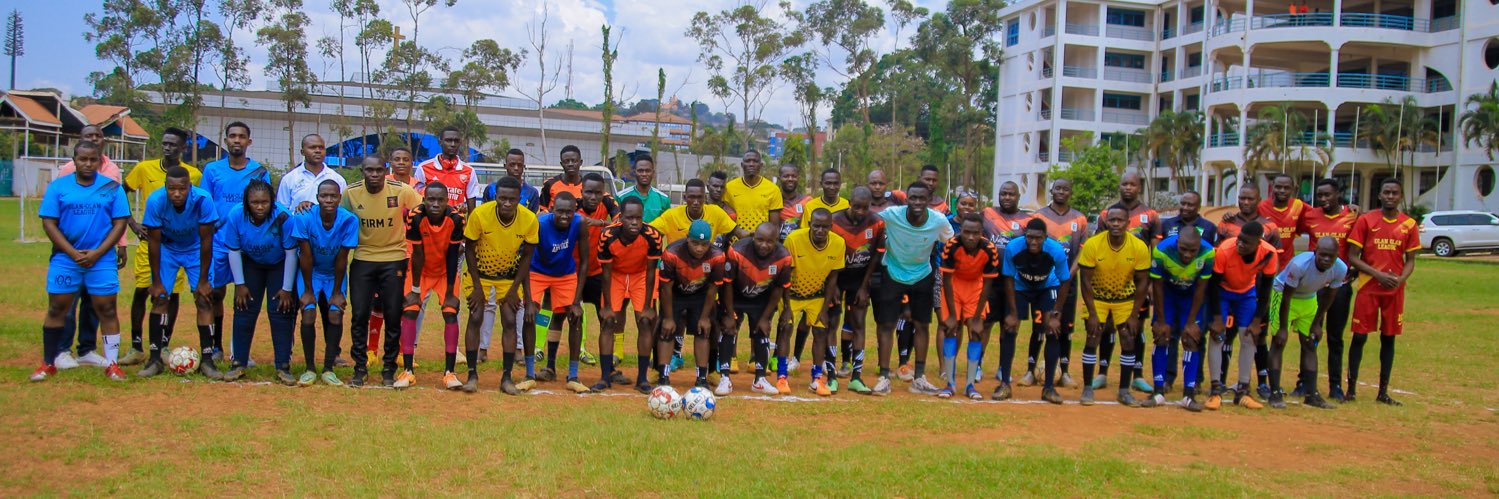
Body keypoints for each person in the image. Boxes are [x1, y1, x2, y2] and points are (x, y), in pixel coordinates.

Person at [32, 141, 131, 382]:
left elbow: (120, 223)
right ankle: (49, 363)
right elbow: (49, 223)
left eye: (93, 159)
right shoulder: (58, 187)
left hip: (102, 259)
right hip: (66, 259)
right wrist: (72, 253)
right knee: (57, 308)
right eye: (83, 159)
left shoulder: (111, 187)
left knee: (107, 308)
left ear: (100, 160)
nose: (88, 164)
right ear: (74, 160)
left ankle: (113, 364)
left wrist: (97, 252)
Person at [121, 128, 200, 368]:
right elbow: (120, 192)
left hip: (176, 246)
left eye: (173, 144)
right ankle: (136, 347)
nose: (167, 148)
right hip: (150, 243)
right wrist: (133, 223)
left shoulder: (194, 174)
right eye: (165, 143)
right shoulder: (144, 168)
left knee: (171, 294)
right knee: (143, 290)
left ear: (183, 148)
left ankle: (164, 344)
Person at [342, 155, 421, 387]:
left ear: (385, 171)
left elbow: (423, 208)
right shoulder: (351, 193)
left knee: (393, 315)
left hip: (394, 258)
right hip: (363, 258)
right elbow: (338, 217)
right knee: (359, 315)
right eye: (369, 170)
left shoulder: (401, 190)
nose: (374, 174)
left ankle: (388, 369)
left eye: (378, 170)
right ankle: (360, 368)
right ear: (363, 171)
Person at [650, 179, 742, 371]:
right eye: (691, 197)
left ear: (705, 197)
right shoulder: (672, 215)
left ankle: (711, 369)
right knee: (665, 323)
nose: (695, 201)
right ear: (685, 197)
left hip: (704, 278)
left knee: (710, 323)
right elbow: (650, 230)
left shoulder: (715, 213)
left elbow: (738, 232)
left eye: (699, 197)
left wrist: (760, 238)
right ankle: (661, 369)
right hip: (676, 278)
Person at [872, 182, 954, 396]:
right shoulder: (892, 214)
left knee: (922, 325)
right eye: (913, 198)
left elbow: (951, 242)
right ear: (906, 199)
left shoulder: (938, 220)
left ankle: (919, 378)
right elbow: (870, 220)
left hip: (922, 275)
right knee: (886, 325)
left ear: (929, 200)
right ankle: (884, 377)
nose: (917, 202)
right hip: (893, 272)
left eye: (922, 198)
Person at [138, 166, 220, 378]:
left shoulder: (203, 200)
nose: (176, 193)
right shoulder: (156, 201)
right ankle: (154, 359)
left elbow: (207, 241)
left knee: (204, 299)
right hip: (168, 250)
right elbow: (153, 242)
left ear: (189, 187)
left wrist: (203, 281)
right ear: (165, 187)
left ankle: (208, 360)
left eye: (182, 189)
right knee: (160, 298)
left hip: (195, 249)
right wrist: (157, 282)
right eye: (171, 189)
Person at [55, 125, 125, 370]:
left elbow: (115, 214)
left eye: (98, 135)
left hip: (101, 251)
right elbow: (60, 210)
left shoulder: (112, 171)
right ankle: (62, 350)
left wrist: (121, 244)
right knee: (68, 300)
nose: (94, 139)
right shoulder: (67, 170)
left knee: (95, 301)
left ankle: (87, 349)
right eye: (88, 136)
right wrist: (69, 250)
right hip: (71, 250)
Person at [462, 176, 539, 394]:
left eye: (512, 199)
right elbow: (469, 250)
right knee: (475, 316)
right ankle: (472, 375)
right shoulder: (480, 214)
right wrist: (477, 287)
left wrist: (514, 290)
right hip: (480, 275)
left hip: (509, 277)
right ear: (495, 197)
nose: (506, 203)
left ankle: (506, 377)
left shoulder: (529, 219)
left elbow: (527, 256)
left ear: (519, 199)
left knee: (509, 319)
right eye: (502, 198)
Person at [1345, 178, 1419, 406]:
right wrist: (1377, 275)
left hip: (1393, 291)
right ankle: (1351, 390)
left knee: (1389, 338)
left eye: (1395, 193)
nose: (1390, 196)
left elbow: (1411, 259)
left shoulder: (1409, 224)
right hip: (1369, 287)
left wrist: (1400, 280)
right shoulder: (1366, 220)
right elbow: (1353, 256)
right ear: (1380, 195)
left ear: (1400, 196)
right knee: (1359, 337)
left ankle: (1383, 392)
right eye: (1386, 192)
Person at [203, 122, 270, 366]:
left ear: (249, 141)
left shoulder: (259, 171)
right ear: (226, 140)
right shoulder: (212, 170)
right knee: (215, 293)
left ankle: (238, 351)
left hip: (248, 244)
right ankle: (215, 346)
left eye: (242, 136)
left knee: (244, 296)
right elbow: (205, 204)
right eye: (232, 136)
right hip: (219, 241)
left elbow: (265, 205)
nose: (237, 140)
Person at [221, 180, 299, 383]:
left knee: (281, 311)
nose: (260, 207)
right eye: (254, 202)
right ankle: (238, 363)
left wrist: (286, 289)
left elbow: (291, 253)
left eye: (264, 202)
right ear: (246, 202)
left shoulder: (283, 216)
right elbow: (233, 251)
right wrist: (240, 284)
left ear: (272, 201)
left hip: (279, 264)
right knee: (244, 309)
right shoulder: (236, 215)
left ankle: (283, 366)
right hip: (251, 263)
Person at [1076, 207, 1152, 407]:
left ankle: (1124, 390)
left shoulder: (1139, 247)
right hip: (1097, 298)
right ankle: (1087, 388)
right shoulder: (1093, 244)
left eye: (1120, 220)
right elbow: (1085, 281)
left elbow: (1142, 283)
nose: (1116, 224)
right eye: (1112, 220)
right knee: (1093, 336)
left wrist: (1134, 315)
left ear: (1128, 223)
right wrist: (1093, 314)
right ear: (1106, 222)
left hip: (1125, 300)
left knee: (1128, 339)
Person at [1095, 172, 1160, 393]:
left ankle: (1137, 375)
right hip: (1109, 280)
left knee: (1135, 327)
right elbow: (1098, 244)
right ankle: (1102, 372)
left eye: (1132, 184)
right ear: (1119, 186)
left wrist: (1150, 283)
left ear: (1139, 187)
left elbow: (1155, 252)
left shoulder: (1151, 215)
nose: (1128, 188)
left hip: (1137, 281)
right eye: (1124, 184)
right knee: (1107, 326)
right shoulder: (1106, 214)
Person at [291, 180, 359, 386]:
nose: (328, 200)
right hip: (310, 273)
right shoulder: (303, 217)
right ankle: (310, 368)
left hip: (333, 274)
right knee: (308, 313)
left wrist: (337, 292)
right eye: (324, 196)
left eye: (333, 196)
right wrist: (308, 290)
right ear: (317, 198)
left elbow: (342, 257)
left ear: (339, 198)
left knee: (336, 314)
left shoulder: (349, 220)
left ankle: (329, 369)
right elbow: (305, 255)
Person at [594, 197, 666, 393]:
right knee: (608, 322)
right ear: (620, 218)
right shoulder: (608, 235)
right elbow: (606, 272)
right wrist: (608, 306)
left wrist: (649, 306)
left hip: (641, 276)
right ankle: (605, 377)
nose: (634, 222)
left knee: (645, 321)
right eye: (629, 218)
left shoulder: (653, 236)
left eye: (638, 218)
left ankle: (642, 379)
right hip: (615, 275)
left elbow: (651, 271)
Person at [1205, 221, 1279, 410]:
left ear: (1258, 243)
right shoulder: (1225, 250)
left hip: (1247, 293)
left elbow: (1266, 290)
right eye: (1239, 239)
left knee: (1249, 337)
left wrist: (1257, 321)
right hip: (1223, 292)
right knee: (1217, 337)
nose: (1240, 244)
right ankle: (1215, 390)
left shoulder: (1269, 253)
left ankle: (1243, 391)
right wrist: (1217, 318)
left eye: (1246, 242)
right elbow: (1213, 286)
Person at [1217, 185, 1281, 398]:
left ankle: (1261, 383)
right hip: (1229, 288)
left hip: (1255, 291)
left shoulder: (1270, 227)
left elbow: (1274, 263)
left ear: (1259, 199)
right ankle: (1220, 381)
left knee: (1256, 336)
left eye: (1250, 198)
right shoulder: (1226, 223)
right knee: (1225, 336)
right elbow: (1219, 256)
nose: (1245, 202)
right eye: (1242, 198)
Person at [1297, 178, 1358, 400]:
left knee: (1335, 336)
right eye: (1319, 195)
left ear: (1338, 194)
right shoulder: (1310, 215)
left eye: (1327, 195)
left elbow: (1359, 244)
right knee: (1308, 334)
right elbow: (1288, 228)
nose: (1323, 199)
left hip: (1340, 285)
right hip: (1313, 285)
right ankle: (1304, 382)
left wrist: (1355, 268)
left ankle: (1335, 386)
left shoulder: (1352, 216)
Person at [1268, 237, 1345, 410]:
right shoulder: (1299, 265)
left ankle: (1311, 395)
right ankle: (1275, 393)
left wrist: (1317, 323)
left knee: (1310, 344)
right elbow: (1287, 296)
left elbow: (1330, 296)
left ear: (1337, 256)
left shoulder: (1340, 268)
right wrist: (1283, 328)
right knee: (1279, 342)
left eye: (1331, 256)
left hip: (1309, 299)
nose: (1326, 259)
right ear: (1315, 252)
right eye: (1322, 255)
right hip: (1284, 296)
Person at [1001, 217, 1072, 403]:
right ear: (1025, 235)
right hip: (1021, 287)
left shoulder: (1056, 251)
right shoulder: (1013, 248)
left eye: (1038, 238)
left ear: (1045, 237)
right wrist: (1013, 313)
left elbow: (1065, 281)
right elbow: (1008, 278)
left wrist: (1056, 314)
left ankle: (1048, 388)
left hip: (1047, 287)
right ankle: (1004, 384)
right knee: (1009, 329)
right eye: (1030, 237)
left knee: (1052, 331)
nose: (1033, 242)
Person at [403, 182, 466, 389]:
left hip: (445, 272)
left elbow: (453, 255)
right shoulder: (415, 216)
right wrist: (415, 290)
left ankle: (449, 373)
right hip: (420, 271)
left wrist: (450, 291)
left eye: (440, 200)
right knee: (410, 310)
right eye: (431, 199)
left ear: (447, 201)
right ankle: (407, 370)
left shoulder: (456, 219)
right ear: (424, 200)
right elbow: (417, 254)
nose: (436, 204)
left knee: (450, 312)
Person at [719, 222, 793, 395]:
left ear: (777, 241)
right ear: (753, 237)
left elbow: (778, 289)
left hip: (762, 298)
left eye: (769, 241)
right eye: (760, 240)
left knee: (762, 331)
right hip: (735, 296)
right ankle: (724, 378)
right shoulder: (737, 251)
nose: (764, 245)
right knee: (728, 329)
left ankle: (760, 380)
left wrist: (766, 318)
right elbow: (727, 284)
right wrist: (729, 313)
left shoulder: (783, 257)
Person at [529, 192, 592, 394]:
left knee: (574, 317)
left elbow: (584, 263)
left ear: (575, 211)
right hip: (537, 271)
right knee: (530, 315)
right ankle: (530, 373)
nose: (564, 216)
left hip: (565, 274)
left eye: (569, 212)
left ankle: (572, 375)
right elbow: (526, 255)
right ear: (552, 209)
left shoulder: (580, 223)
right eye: (560, 211)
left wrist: (576, 301)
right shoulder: (540, 223)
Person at [1031, 179, 1090, 388]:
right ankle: (1030, 370)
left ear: (1070, 192)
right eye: (1058, 188)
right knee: (1039, 326)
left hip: (1068, 282)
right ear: (1051, 190)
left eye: (1066, 189)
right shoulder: (1039, 216)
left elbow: (1082, 250)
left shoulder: (1079, 219)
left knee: (1065, 327)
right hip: (1043, 281)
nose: (1061, 192)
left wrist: (1068, 275)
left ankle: (1064, 371)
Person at [1156, 190, 1217, 390]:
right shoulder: (1168, 227)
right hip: (1170, 290)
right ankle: (1167, 378)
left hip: (1195, 292)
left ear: (1199, 206)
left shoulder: (1209, 230)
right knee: (1168, 334)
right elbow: (1159, 272)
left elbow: (1206, 272)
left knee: (1195, 335)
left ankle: (1194, 381)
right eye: (1183, 203)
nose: (1185, 207)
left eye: (1190, 204)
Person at [780, 208, 845, 396]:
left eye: (825, 227)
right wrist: (786, 307)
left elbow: (833, 278)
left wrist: (824, 309)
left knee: (821, 331)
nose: (820, 230)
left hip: (816, 295)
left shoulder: (838, 243)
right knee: (786, 328)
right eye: (816, 226)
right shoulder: (793, 239)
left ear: (831, 227)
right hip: (792, 295)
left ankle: (816, 379)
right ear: (809, 224)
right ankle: (782, 377)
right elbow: (785, 274)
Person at [1148, 227, 1215, 411]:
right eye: (1183, 249)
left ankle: (1188, 395)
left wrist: (1191, 322)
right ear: (1177, 242)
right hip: (1167, 295)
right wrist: (1161, 321)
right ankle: (1158, 392)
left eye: (1192, 251)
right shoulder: (1161, 250)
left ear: (1199, 246)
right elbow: (1157, 285)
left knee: (1191, 339)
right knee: (1161, 337)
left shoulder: (1208, 252)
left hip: (1191, 297)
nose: (1187, 254)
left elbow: (1202, 287)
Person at [827, 187, 884, 394]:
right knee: (831, 323)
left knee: (859, 323)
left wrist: (864, 286)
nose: (861, 211)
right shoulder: (834, 221)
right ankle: (831, 376)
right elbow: (827, 254)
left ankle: (856, 377)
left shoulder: (877, 223)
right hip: (836, 278)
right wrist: (832, 286)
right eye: (857, 207)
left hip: (860, 280)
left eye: (865, 208)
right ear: (849, 203)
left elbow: (876, 255)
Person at [658, 220, 728, 389]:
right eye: (695, 243)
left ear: (710, 243)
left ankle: (701, 378)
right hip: (675, 294)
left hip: (700, 295)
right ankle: (663, 377)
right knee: (667, 331)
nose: (699, 248)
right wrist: (668, 318)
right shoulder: (672, 253)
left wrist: (704, 318)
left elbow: (713, 288)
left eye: (704, 244)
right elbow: (665, 288)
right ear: (687, 238)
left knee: (703, 331)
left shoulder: (717, 256)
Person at [940, 214, 1002, 400]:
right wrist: (953, 315)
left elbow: (988, 284)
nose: (970, 237)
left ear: (981, 232)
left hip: (976, 288)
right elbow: (947, 280)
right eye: (966, 232)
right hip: (954, 287)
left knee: (976, 332)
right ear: (961, 231)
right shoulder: (951, 245)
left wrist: (976, 317)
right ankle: (950, 383)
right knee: (951, 329)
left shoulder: (990, 249)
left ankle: (970, 385)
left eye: (975, 233)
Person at [980, 181, 1035, 386]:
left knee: (1010, 325)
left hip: (1016, 281)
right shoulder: (987, 214)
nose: (1007, 197)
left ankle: (1004, 367)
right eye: (1003, 193)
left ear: (1018, 197)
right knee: (985, 324)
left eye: (1011, 194)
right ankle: (978, 363)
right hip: (990, 279)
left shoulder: (1028, 220)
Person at [577, 173, 619, 371]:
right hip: (572, 273)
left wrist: (599, 223)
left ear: (603, 193)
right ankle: (554, 366)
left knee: (606, 318)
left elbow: (622, 222)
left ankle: (609, 369)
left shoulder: (609, 203)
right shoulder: (573, 205)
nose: (593, 197)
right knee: (565, 317)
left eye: (598, 193)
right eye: (589, 192)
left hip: (597, 272)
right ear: (581, 191)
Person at [415, 126, 483, 213]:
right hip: (430, 221)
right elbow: (417, 201)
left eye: (456, 141)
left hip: (456, 220)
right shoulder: (423, 168)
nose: (453, 144)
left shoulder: (469, 171)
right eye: (448, 140)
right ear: (440, 142)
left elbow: (472, 208)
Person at [276, 134, 347, 214]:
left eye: (321, 147)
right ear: (302, 152)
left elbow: (343, 210)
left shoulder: (337, 179)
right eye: (312, 147)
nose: (318, 151)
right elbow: (281, 211)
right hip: (297, 222)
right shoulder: (289, 179)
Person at [723, 150, 783, 236]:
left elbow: (774, 226)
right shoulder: (729, 188)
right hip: (735, 241)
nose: (751, 164)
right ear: (742, 165)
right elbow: (723, 217)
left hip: (762, 241)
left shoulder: (773, 189)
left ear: (761, 165)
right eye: (748, 161)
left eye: (755, 161)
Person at [1260, 174, 1307, 269]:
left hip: (1288, 264)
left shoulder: (1298, 205)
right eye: (1278, 187)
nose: (1282, 190)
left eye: (1286, 188)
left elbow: (1317, 214)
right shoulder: (1261, 207)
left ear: (1292, 189)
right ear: (1272, 187)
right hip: (1265, 262)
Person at [616, 154, 672, 223]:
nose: (644, 174)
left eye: (648, 171)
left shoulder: (663, 199)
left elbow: (667, 224)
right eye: (640, 171)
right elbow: (616, 223)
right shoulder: (621, 197)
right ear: (634, 172)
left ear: (653, 172)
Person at [540, 145, 587, 210]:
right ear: (561, 164)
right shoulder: (549, 184)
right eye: (566, 161)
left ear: (580, 162)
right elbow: (542, 210)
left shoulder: (587, 185)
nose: (570, 164)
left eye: (574, 161)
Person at [776, 163, 812, 241]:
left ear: (798, 178)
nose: (790, 179)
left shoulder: (807, 201)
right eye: (786, 176)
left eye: (794, 176)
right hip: (778, 245)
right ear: (779, 178)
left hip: (800, 244)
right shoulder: (774, 202)